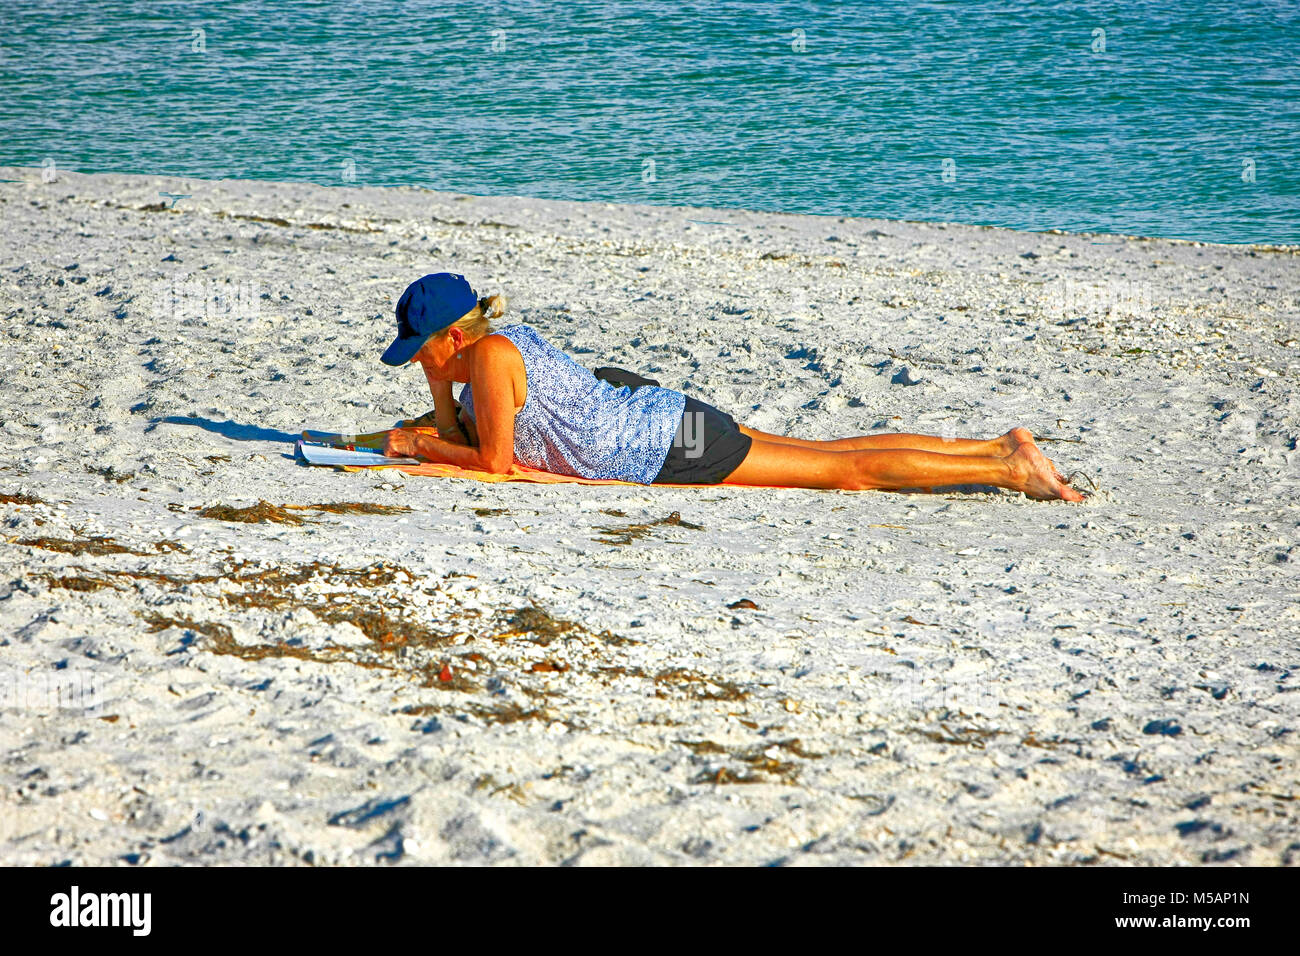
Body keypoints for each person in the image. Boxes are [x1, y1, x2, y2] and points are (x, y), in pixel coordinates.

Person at [380, 273, 1084, 501]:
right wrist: (440, 404)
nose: (418, 364)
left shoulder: (494, 359)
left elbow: (495, 464)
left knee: (848, 475)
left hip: (665, 448)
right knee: (831, 449)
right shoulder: (487, 356)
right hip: (665, 420)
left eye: (422, 352)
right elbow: (465, 434)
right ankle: (997, 447)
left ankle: (1008, 468)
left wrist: (419, 443)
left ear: (454, 339)